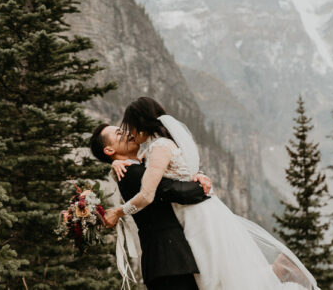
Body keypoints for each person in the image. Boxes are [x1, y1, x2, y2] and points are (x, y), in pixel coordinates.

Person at [104, 98, 319, 290]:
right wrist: (117, 164)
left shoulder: (158, 147)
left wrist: (118, 212)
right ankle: (277, 272)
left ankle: (278, 273)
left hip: (194, 217)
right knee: (218, 274)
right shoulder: (146, 155)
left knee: (214, 278)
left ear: (140, 125)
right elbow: (165, 178)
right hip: (190, 219)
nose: (129, 133)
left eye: (128, 127)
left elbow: (153, 191)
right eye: (122, 132)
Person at [90, 122, 212, 290]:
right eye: (120, 134)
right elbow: (178, 191)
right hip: (168, 259)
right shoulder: (132, 173)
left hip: (167, 261)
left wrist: (199, 174)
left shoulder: (137, 167)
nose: (128, 133)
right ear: (110, 151)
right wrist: (202, 187)